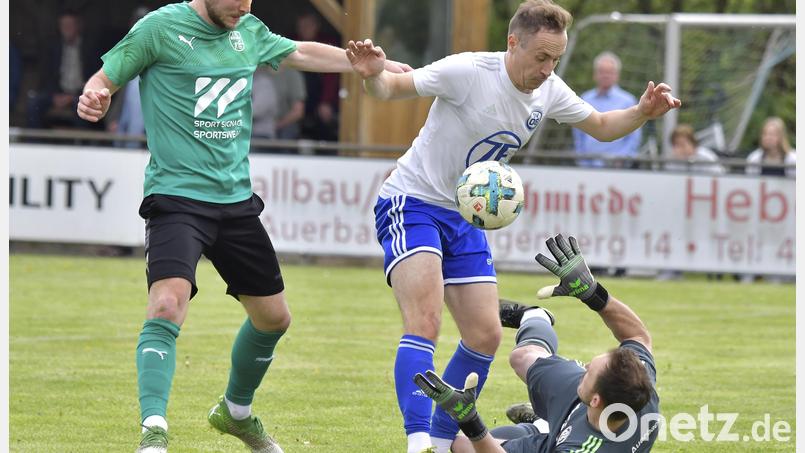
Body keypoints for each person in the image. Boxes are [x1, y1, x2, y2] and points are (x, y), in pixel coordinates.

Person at [76, 1, 410, 451]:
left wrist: (364, 64)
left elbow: (299, 52)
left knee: (274, 319)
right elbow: (105, 77)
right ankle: (153, 431)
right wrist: (95, 95)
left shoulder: (248, 28)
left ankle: (235, 412)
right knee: (167, 305)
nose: (243, 6)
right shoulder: (158, 29)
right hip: (177, 198)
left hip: (235, 203)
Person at [346, 1, 679, 452]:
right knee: (425, 321)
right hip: (414, 201)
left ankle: (442, 442)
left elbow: (601, 125)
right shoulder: (468, 71)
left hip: (463, 217)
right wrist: (372, 75)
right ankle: (419, 440)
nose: (548, 69)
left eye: (555, 59)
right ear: (513, 43)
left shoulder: (549, 90)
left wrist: (641, 111)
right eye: (541, 57)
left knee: (485, 335)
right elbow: (391, 87)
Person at [415, 234, 660, 453]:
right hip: (580, 408)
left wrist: (470, 421)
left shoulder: (580, 449)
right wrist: (593, 293)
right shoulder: (637, 382)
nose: (583, 366)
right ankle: (534, 316)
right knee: (522, 357)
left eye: (588, 372)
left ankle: (542, 427)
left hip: (567, 434)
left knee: (461, 446)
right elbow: (638, 337)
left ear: (596, 400)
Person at [28, 11, 99, 129]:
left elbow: (94, 76)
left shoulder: (89, 47)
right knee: (34, 103)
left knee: (83, 105)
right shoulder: (52, 47)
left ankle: (82, 140)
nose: (67, 29)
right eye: (63, 25)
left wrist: (72, 96)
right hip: (56, 93)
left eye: (70, 25)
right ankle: (35, 139)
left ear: (78, 26)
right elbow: (46, 75)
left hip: (80, 93)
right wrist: (54, 95)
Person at [572, 52, 642, 168]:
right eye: (602, 71)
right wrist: (582, 161)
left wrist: (622, 160)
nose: (605, 75)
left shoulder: (628, 101)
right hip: (588, 167)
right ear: (595, 74)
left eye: (609, 72)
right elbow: (578, 134)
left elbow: (634, 137)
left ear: (617, 75)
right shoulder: (584, 99)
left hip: (618, 168)